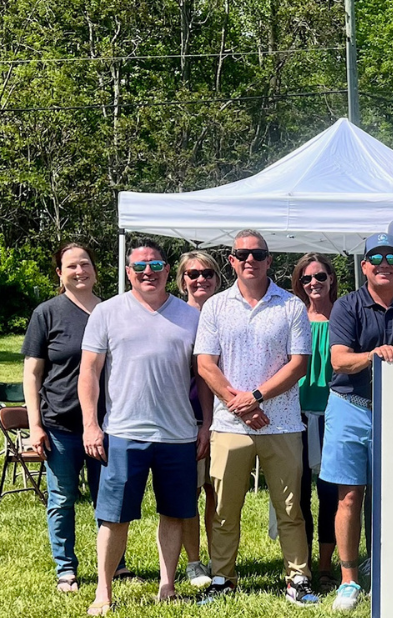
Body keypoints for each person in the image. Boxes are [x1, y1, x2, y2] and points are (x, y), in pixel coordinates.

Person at [79, 239, 208, 615]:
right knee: (114, 516)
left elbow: (202, 377)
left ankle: (167, 586)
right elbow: (89, 373)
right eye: (139, 267)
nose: (148, 272)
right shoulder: (106, 312)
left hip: (179, 435)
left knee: (173, 513)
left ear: (169, 271)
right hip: (122, 432)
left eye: (155, 265)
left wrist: (207, 424)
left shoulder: (190, 316)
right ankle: (104, 590)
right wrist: (91, 424)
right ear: (127, 272)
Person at [194, 230, 317, 605]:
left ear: (269, 260)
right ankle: (222, 579)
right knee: (224, 509)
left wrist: (257, 397)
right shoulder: (215, 306)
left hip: (281, 423)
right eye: (242, 254)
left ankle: (298, 579)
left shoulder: (291, 306)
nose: (250, 260)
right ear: (231, 260)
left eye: (258, 254)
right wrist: (240, 404)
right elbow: (205, 364)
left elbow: (299, 364)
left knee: (291, 509)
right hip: (230, 424)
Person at [320, 233, 393, 612]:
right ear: (365, 265)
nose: (384, 263)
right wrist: (374, 354)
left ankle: (389, 567)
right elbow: (338, 360)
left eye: (392, 256)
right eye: (376, 257)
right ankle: (349, 579)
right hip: (350, 406)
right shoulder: (347, 305)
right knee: (350, 496)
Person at [21, 243, 131, 593]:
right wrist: (35, 425)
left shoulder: (115, 310)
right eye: (71, 266)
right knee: (62, 499)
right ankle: (66, 569)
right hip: (61, 426)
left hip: (109, 424)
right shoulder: (47, 313)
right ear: (60, 273)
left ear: (96, 270)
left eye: (85, 264)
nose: (79, 271)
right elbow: (32, 373)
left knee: (110, 500)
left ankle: (115, 565)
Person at [290, 253, 341, 592]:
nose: (314, 284)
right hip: (295, 415)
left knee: (330, 494)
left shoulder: (344, 315)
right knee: (298, 494)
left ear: (331, 279)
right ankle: (301, 563)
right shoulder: (292, 316)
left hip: (335, 413)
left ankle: (326, 564)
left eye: (320, 277)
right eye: (307, 278)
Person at [175, 251, 223, 589]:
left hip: (226, 418)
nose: (200, 279)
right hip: (185, 419)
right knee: (189, 494)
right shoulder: (175, 317)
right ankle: (193, 562)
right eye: (193, 274)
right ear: (182, 281)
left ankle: (219, 559)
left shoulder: (226, 312)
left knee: (217, 494)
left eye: (207, 273)